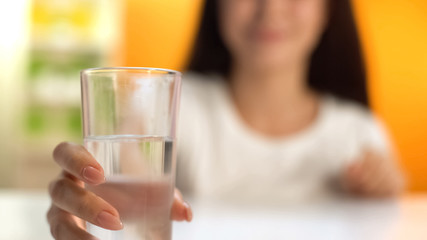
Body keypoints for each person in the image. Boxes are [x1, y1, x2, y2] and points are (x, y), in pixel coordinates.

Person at [47, 0, 404, 238]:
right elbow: (122, 178)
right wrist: (88, 195)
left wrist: (385, 200)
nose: (271, 8)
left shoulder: (359, 133)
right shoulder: (176, 110)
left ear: (329, 10)